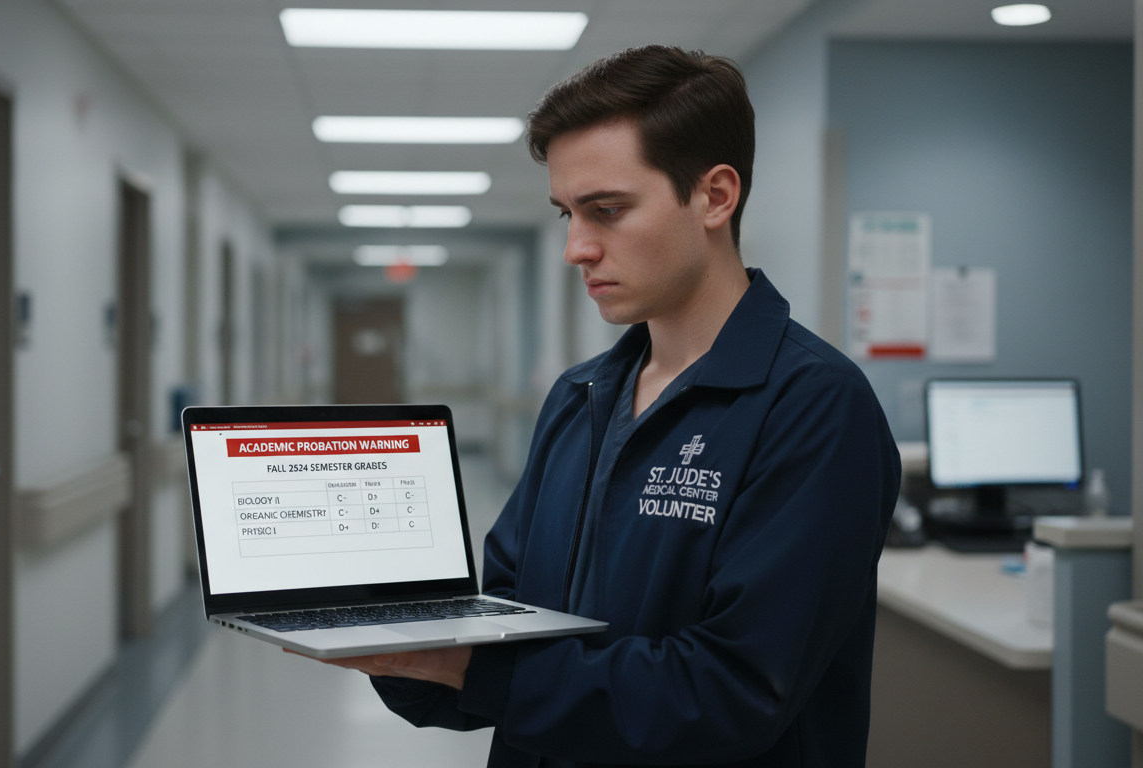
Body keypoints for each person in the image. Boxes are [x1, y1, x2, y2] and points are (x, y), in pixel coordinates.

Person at [312, 45, 901, 767]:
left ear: (715, 196)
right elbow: (507, 619)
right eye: (566, 213)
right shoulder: (581, 396)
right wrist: (403, 647)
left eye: (607, 211)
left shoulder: (812, 406)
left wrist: (475, 669)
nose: (575, 248)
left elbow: (734, 692)